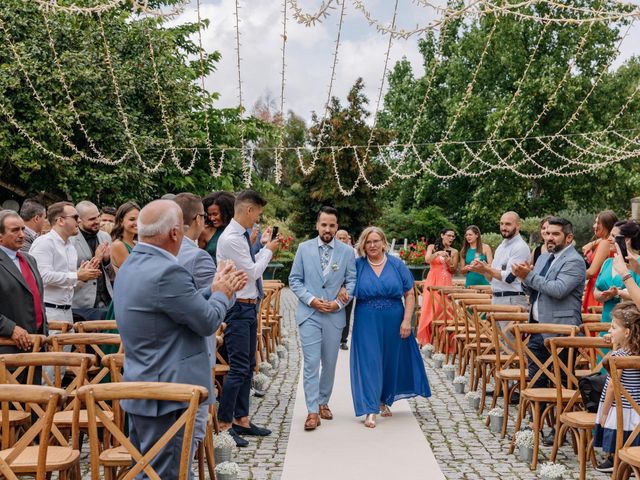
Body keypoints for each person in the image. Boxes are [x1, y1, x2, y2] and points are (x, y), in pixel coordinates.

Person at [114, 200, 246, 479]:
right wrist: (223, 292)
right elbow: (208, 321)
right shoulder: (168, 272)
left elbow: (181, 310)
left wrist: (212, 290)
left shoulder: (131, 264)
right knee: (167, 473)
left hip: (142, 387)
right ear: (175, 232)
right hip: (169, 395)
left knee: (147, 472)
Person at [512, 217, 586, 446]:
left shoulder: (575, 261)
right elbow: (533, 288)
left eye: (555, 234)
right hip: (537, 327)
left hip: (562, 332)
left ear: (569, 237)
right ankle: (537, 425)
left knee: (562, 382)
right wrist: (523, 279)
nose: (549, 237)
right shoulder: (544, 256)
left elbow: (558, 289)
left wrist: (528, 276)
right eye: (547, 233)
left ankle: (561, 428)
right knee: (535, 379)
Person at [216, 190, 280, 445]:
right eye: (258, 213)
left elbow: (248, 264)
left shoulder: (241, 236)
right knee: (238, 368)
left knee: (247, 367)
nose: (258, 219)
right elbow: (253, 271)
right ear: (249, 210)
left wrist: (259, 247)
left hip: (248, 307)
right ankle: (224, 422)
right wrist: (269, 250)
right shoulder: (231, 238)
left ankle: (241, 418)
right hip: (238, 309)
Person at [350, 226, 430, 428]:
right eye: (368, 242)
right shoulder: (357, 265)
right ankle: (370, 408)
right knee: (370, 361)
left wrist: (407, 320)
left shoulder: (396, 265)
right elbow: (346, 286)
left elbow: (410, 294)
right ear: (363, 245)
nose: (372, 245)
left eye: (376, 241)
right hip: (366, 319)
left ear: (384, 243)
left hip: (394, 319)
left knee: (388, 361)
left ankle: (383, 400)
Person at [289, 206, 356, 431]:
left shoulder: (347, 252)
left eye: (332, 225)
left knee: (329, 362)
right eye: (324, 224)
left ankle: (323, 401)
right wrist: (311, 300)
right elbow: (295, 279)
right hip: (310, 313)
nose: (327, 229)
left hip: (334, 315)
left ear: (337, 227)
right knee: (311, 362)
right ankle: (311, 411)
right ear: (317, 225)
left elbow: (352, 281)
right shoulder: (303, 249)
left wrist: (338, 303)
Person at [29, 202, 101, 334]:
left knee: (67, 354)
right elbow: (41, 277)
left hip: (68, 311)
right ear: (60, 221)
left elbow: (69, 285)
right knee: (53, 355)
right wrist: (77, 275)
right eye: (75, 217)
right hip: (49, 312)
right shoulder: (44, 243)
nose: (79, 221)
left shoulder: (70, 247)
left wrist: (85, 275)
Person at [593, 301, 640, 473]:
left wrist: (604, 412)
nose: (609, 331)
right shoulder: (635, 351)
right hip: (637, 406)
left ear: (627, 332)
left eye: (613, 327)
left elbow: (613, 386)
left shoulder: (619, 356)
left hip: (621, 406)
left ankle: (615, 459)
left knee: (619, 433)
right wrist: (615, 340)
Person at [0, 210, 47, 355]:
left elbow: (37, 299)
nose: (22, 235)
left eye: (23, 229)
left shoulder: (29, 260)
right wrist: (10, 328)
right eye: (15, 230)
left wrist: (45, 333)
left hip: (35, 344)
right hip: (7, 348)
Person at [469, 211, 530, 310]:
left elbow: (509, 278)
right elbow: (491, 279)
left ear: (518, 226)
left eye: (508, 224)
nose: (503, 227)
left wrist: (487, 269)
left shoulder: (520, 247)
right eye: (501, 223)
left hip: (512, 299)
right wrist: (482, 269)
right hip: (496, 298)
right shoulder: (501, 247)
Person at [70, 201, 113, 321]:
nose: (98, 221)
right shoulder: (70, 240)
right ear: (79, 220)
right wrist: (97, 258)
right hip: (81, 306)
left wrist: (107, 261)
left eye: (98, 216)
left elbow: (112, 275)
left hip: (107, 301)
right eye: (92, 219)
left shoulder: (105, 237)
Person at [416, 228, 458, 346]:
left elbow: (454, 270)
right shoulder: (431, 247)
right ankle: (428, 340)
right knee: (430, 308)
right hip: (433, 280)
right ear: (442, 235)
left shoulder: (454, 251)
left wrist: (449, 262)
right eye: (449, 235)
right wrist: (438, 253)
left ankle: (443, 342)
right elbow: (427, 259)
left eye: (453, 236)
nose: (451, 238)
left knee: (445, 310)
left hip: (446, 281)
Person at [594, 221, 640, 323]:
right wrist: (605, 295)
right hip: (606, 319)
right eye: (610, 235)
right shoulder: (607, 262)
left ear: (626, 239)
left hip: (629, 322)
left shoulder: (637, 264)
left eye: (614, 236)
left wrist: (618, 293)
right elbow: (596, 292)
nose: (609, 239)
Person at [583, 210, 618, 313]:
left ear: (607, 226)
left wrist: (571, 275)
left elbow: (592, 272)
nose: (594, 225)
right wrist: (592, 243)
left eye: (598, 223)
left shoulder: (604, 243)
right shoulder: (609, 243)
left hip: (598, 288)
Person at [200, 191, 235, 263]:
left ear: (226, 212)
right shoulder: (205, 231)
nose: (212, 218)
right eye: (209, 215)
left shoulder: (236, 230)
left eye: (215, 214)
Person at [336, 228, 356, 350]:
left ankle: (343, 340)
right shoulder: (331, 251)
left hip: (348, 287)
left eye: (344, 238)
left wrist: (347, 287)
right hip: (333, 288)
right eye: (340, 237)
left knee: (346, 315)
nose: (342, 240)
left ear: (348, 239)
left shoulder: (352, 252)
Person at [110, 201, 139, 272]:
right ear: (121, 221)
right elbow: (132, 272)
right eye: (132, 219)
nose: (137, 223)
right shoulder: (118, 245)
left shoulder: (136, 243)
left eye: (139, 219)